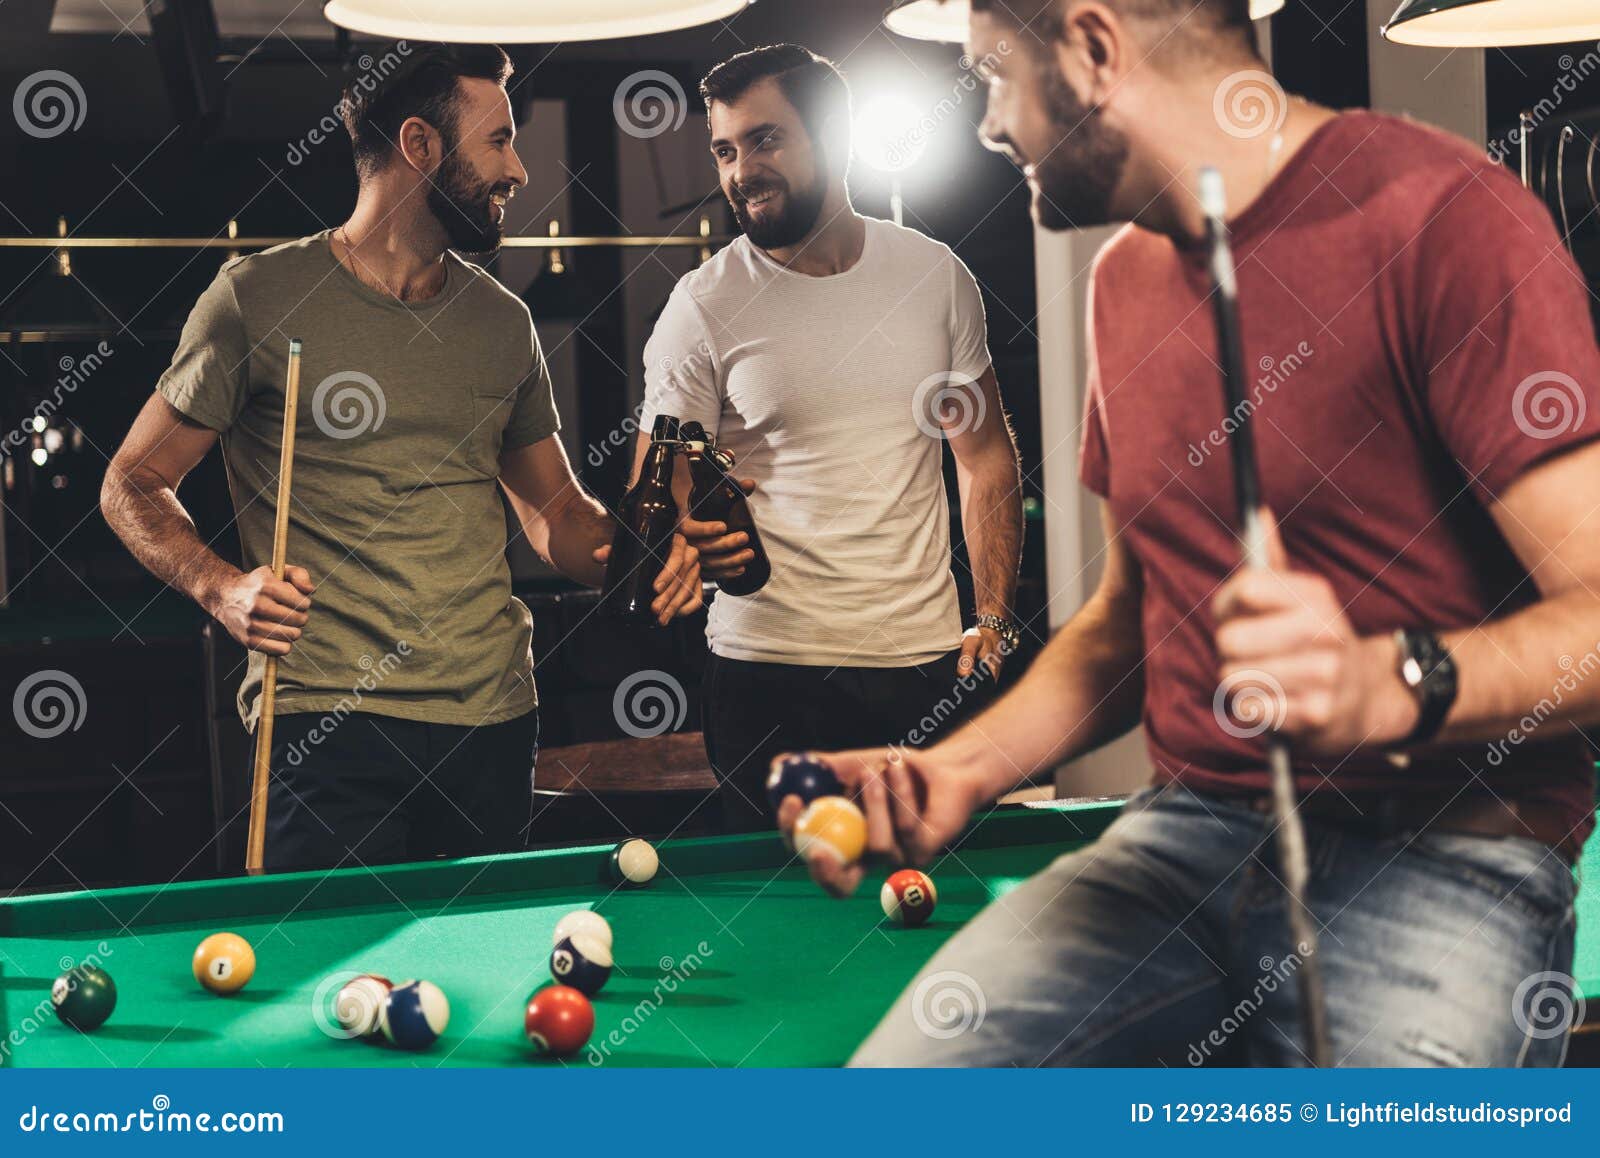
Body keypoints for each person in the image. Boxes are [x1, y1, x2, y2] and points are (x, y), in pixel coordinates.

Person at [781, 0, 1600, 1066]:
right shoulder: (1123, 282)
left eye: (993, 74)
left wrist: (1387, 685)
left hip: (1450, 856)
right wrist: (962, 769)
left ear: (1092, 46)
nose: (987, 123)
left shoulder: (1444, 216)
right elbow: (1132, 617)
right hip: (1184, 841)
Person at [101, 43, 701, 873]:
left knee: (479, 991)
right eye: (498, 142)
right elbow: (133, 480)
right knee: (333, 992)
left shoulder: (500, 321)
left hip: (492, 718)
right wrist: (222, 587)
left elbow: (557, 514)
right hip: (325, 723)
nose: (520, 170)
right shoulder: (256, 299)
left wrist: (644, 557)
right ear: (419, 145)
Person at [637, 44, 1026, 831]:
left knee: (920, 904)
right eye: (724, 149)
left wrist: (992, 617)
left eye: (766, 140)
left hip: (920, 669)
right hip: (765, 676)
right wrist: (676, 529)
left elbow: (985, 459)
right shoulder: (703, 304)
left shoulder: (935, 275)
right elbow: (661, 479)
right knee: (782, 923)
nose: (741, 169)